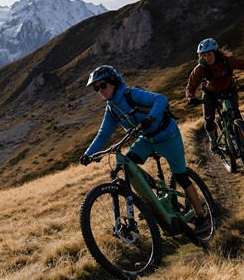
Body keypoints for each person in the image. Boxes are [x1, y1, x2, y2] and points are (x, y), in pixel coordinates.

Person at [79, 65, 210, 235]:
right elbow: (103, 135)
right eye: (96, 89)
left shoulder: (131, 95)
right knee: (128, 164)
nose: (100, 91)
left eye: (102, 86)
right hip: (147, 140)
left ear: (113, 83)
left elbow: (160, 99)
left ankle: (201, 217)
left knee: (181, 176)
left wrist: (151, 117)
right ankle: (152, 203)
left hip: (167, 135)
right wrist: (88, 154)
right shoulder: (112, 109)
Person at [185, 38, 244, 153]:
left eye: (209, 54)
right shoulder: (200, 69)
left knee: (236, 115)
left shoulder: (227, 61)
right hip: (210, 93)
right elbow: (191, 86)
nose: (207, 58)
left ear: (215, 52)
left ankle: (243, 142)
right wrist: (191, 97)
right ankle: (212, 139)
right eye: (203, 56)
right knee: (209, 120)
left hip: (229, 89)